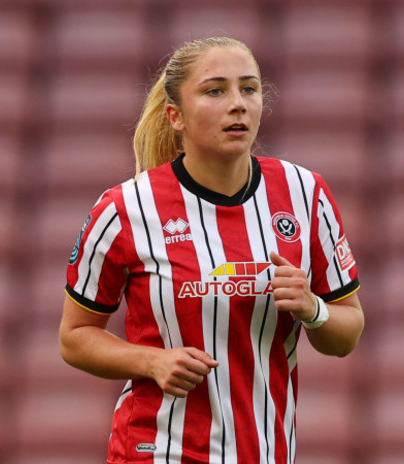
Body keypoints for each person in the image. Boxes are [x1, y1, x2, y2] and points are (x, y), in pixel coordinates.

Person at [59, 36, 364, 464]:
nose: (237, 103)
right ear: (175, 116)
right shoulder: (125, 208)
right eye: (215, 90)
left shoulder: (305, 193)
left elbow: (347, 332)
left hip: (267, 452)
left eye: (249, 88)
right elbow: (74, 338)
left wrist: (312, 308)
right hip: (157, 450)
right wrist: (152, 362)